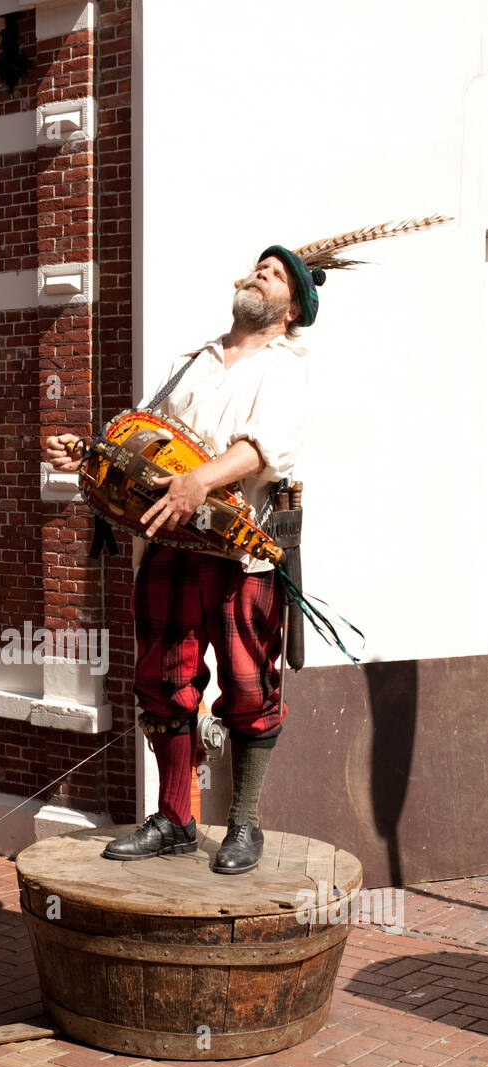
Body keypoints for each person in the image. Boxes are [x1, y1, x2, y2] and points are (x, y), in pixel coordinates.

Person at [45, 244, 318, 874]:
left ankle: (244, 825)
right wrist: (87, 454)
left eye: (273, 274)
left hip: (241, 545)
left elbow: (264, 449)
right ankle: (173, 817)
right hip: (170, 541)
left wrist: (201, 482)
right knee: (164, 678)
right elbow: (147, 450)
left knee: (249, 684)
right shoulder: (190, 362)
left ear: (292, 309)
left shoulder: (285, 368)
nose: (258, 274)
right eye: (258, 266)